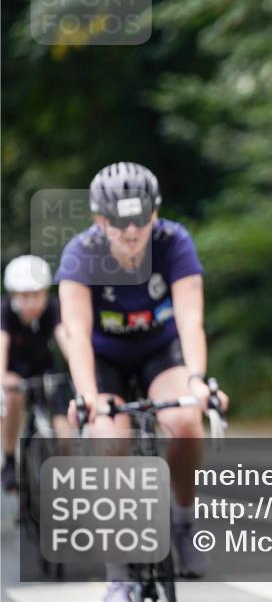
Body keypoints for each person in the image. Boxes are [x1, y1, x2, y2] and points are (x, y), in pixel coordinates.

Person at [55, 162, 229, 601]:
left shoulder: (174, 242)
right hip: (105, 358)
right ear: (100, 220)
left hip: (159, 352)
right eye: (119, 221)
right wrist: (87, 395)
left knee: (186, 421)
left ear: (155, 213)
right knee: (109, 441)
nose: (131, 231)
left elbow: (190, 320)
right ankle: (119, 571)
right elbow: (76, 333)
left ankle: (183, 520)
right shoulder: (80, 253)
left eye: (140, 219)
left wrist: (197, 380)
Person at [0, 255, 73, 491]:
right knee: (12, 396)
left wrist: (79, 369)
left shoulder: (52, 307)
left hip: (46, 368)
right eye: (24, 296)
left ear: (44, 292)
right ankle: (9, 460)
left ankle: (67, 474)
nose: (31, 303)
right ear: (13, 295)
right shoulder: (5, 312)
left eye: (36, 295)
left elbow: (64, 338)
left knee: (64, 424)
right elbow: (2, 344)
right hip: (14, 371)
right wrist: (1, 379)